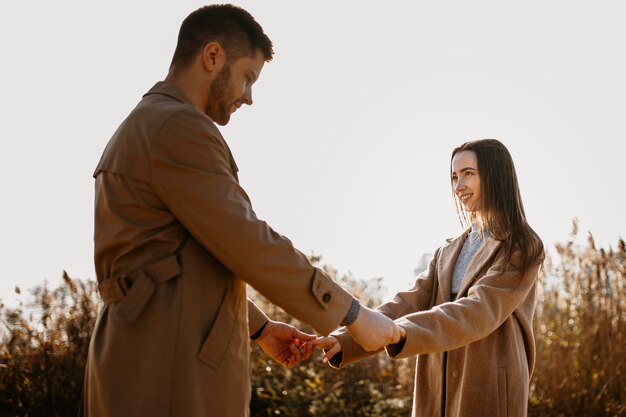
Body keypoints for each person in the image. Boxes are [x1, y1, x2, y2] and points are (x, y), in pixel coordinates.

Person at [83, 4, 401, 417]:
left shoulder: (146, 124)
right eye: (247, 78)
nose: (249, 97)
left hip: (144, 356)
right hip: (171, 371)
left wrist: (261, 328)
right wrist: (353, 314)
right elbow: (247, 241)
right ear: (213, 57)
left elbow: (175, 259)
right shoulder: (177, 127)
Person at [309, 139, 544, 417]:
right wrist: (346, 338)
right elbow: (406, 304)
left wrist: (402, 331)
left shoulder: (521, 245)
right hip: (437, 390)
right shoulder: (447, 251)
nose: (458, 187)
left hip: (488, 390)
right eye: (454, 177)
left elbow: (479, 311)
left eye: (468, 174)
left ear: (495, 175)